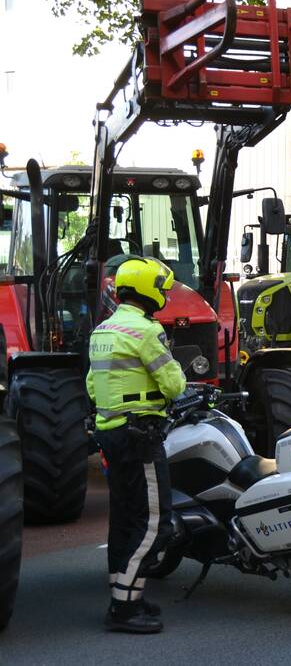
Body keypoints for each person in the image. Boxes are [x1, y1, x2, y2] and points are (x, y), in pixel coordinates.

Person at [86, 257, 187, 633]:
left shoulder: (102, 331)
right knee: (155, 524)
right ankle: (123, 609)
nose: (163, 294)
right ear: (146, 290)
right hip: (140, 434)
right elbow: (174, 385)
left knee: (125, 520)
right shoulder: (145, 331)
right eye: (160, 288)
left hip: (110, 432)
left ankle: (127, 596)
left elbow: (93, 388)